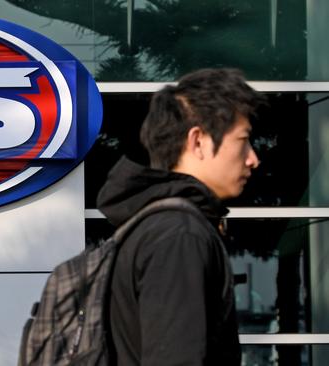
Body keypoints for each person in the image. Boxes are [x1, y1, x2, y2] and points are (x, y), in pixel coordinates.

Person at [96, 68, 265, 365]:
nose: (253, 159)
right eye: (243, 140)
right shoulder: (179, 235)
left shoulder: (154, 224)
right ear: (197, 141)